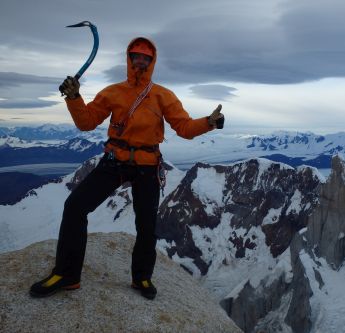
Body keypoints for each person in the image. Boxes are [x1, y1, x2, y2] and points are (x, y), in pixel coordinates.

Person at [30, 37, 224, 300]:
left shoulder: (163, 95)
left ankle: (141, 277)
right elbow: (87, 122)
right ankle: (67, 274)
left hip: (146, 165)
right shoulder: (113, 92)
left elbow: (184, 127)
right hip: (116, 160)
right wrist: (74, 97)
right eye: (136, 56)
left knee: (146, 225)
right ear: (129, 59)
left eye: (146, 57)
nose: (140, 61)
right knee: (75, 206)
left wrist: (209, 122)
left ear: (152, 61)